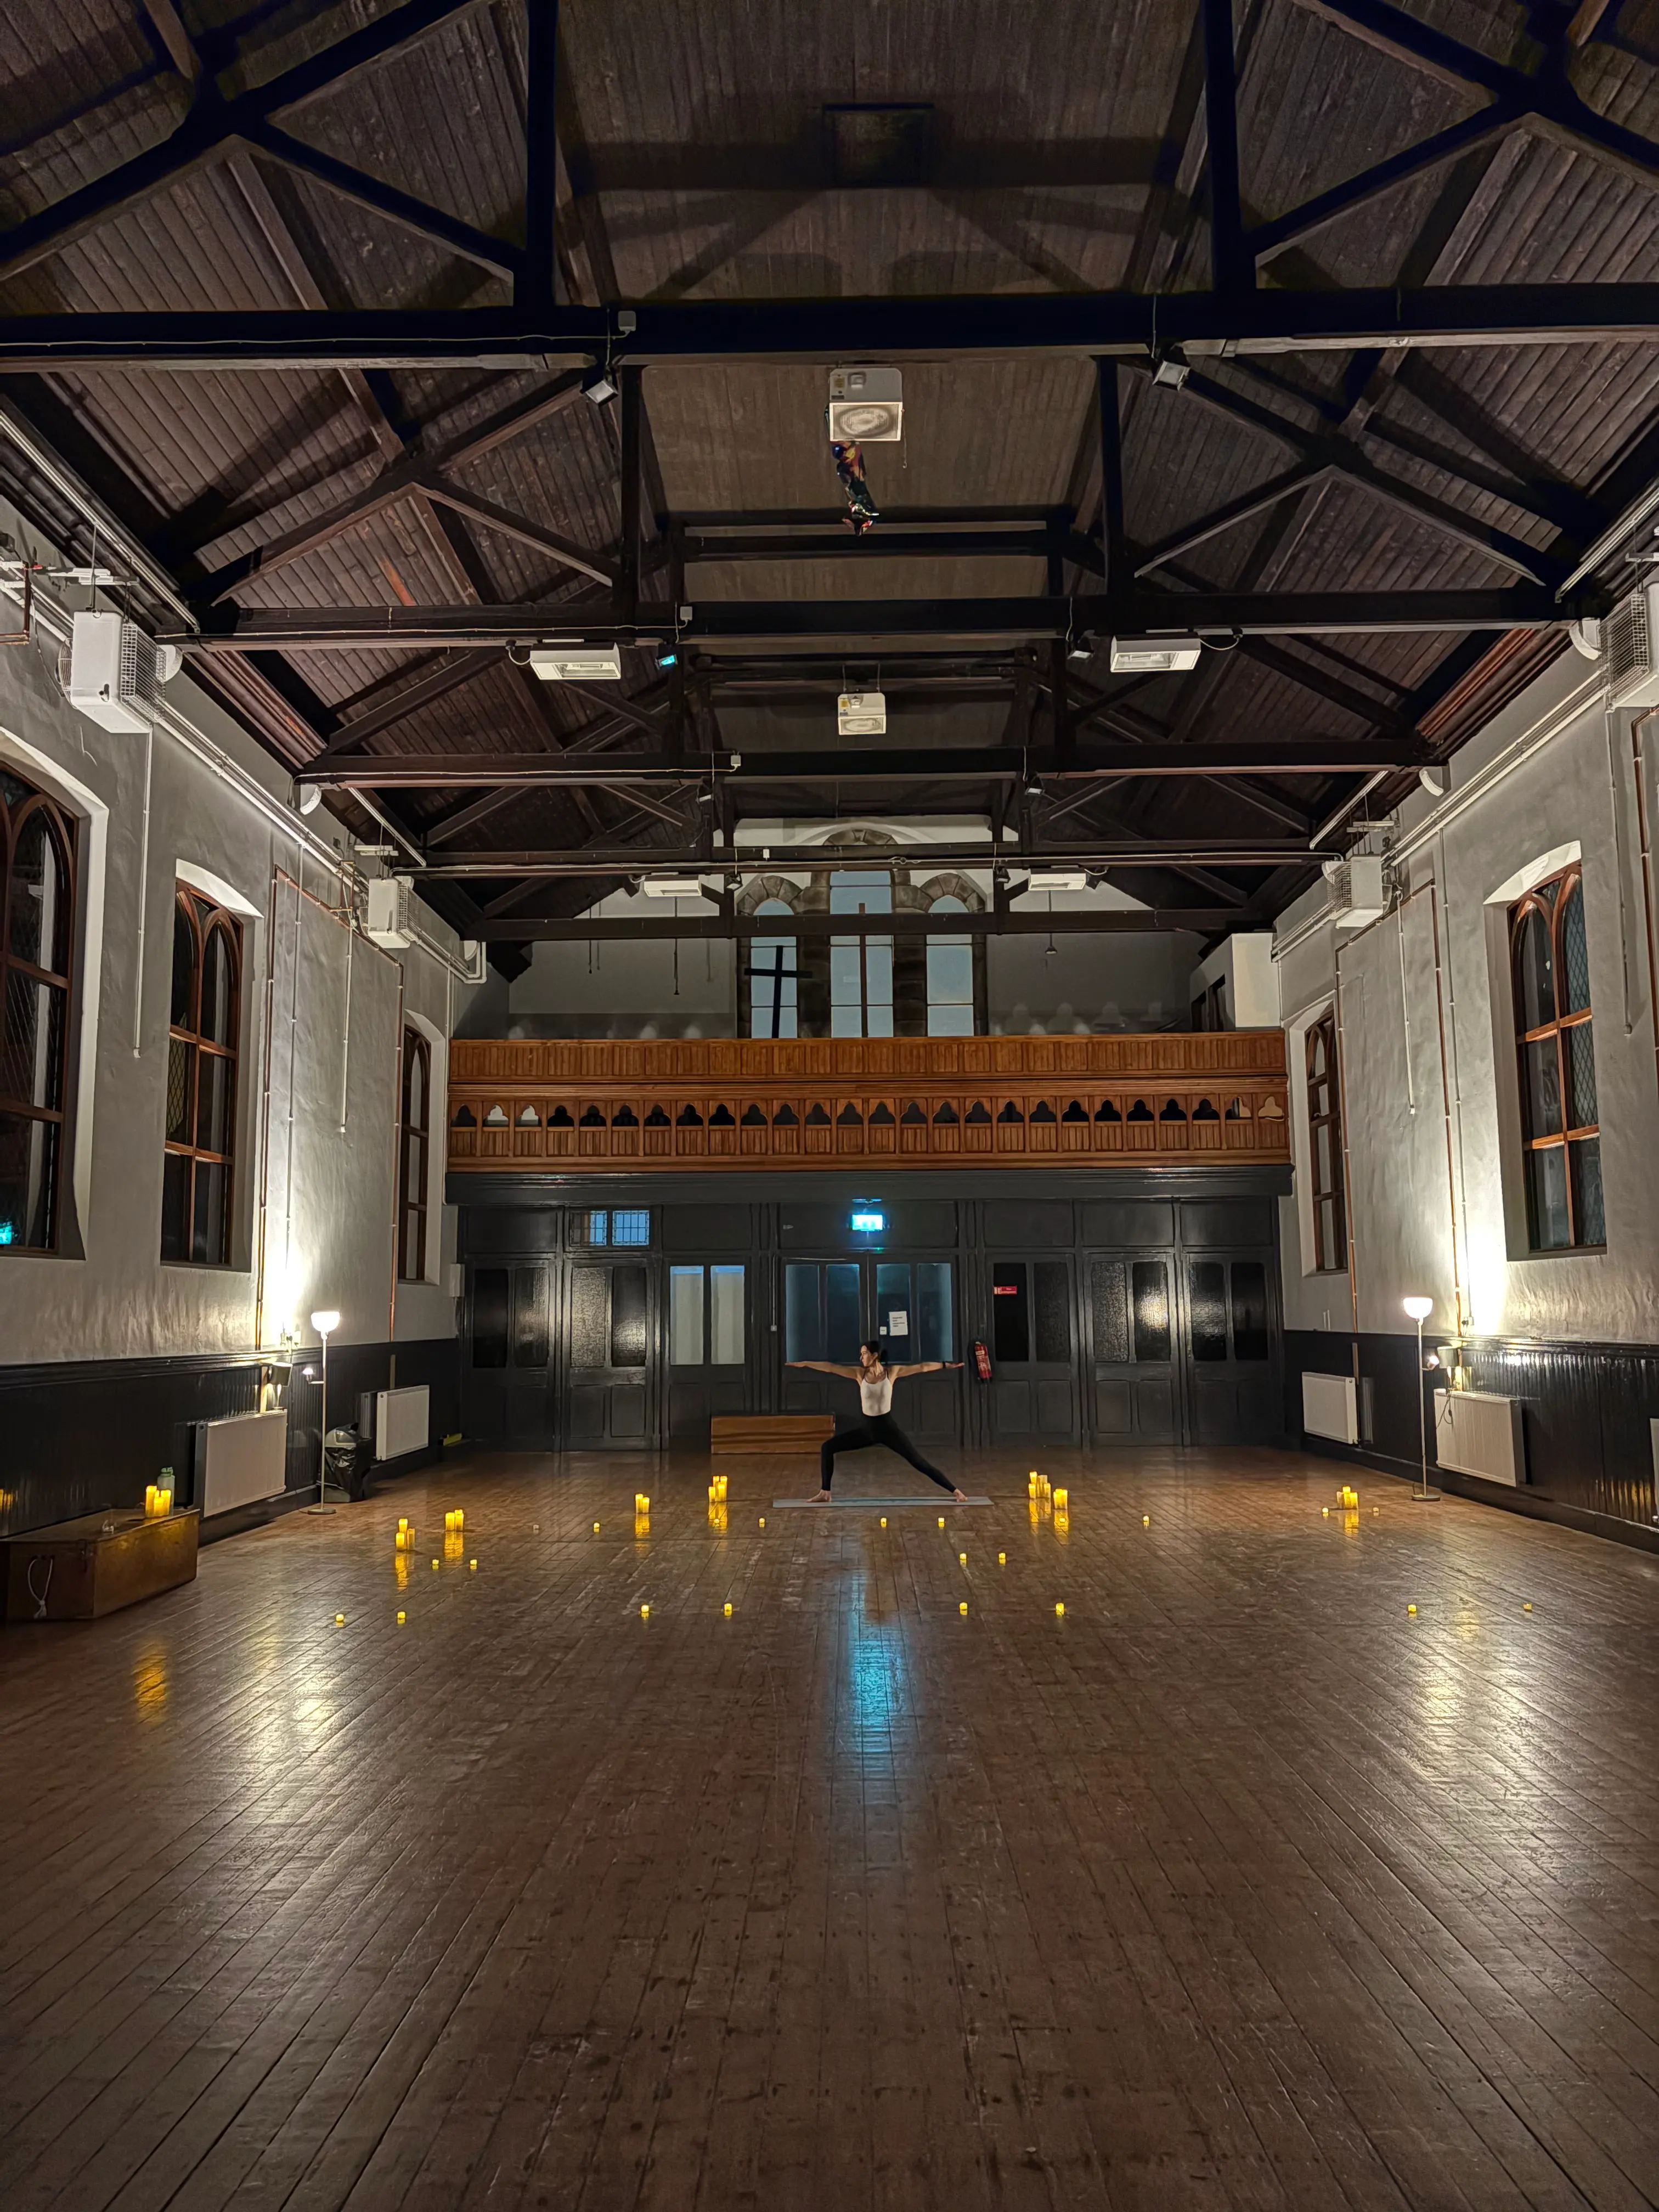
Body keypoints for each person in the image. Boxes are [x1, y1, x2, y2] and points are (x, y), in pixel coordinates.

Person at [788, 1341, 966, 1502]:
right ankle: (825, 1492)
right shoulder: (859, 1375)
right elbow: (830, 1368)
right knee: (827, 1447)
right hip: (867, 1430)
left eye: (864, 1353)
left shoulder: (892, 1373)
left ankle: (955, 1491)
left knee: (919, 1462)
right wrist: (804, 1363)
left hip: (889, 1430)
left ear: (874, 1356)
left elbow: (923, 1367)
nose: (861, 1357)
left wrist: (945, 1365)